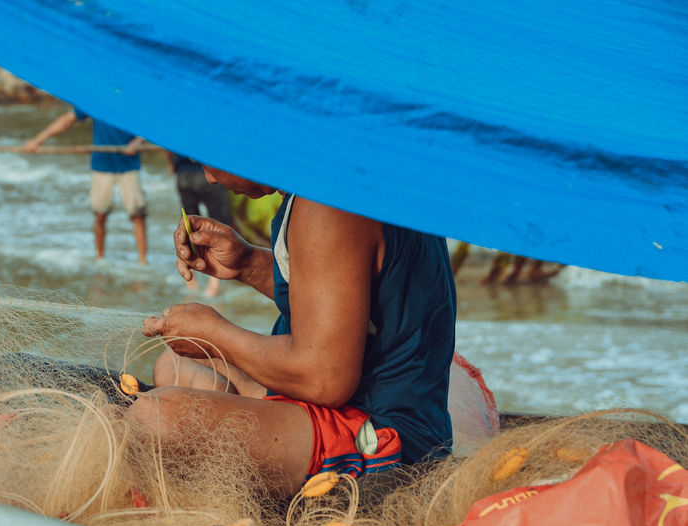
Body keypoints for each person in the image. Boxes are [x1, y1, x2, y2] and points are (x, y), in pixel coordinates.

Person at [128, 166, 457, 498]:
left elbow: (324, 378)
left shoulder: (327, 206)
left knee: (154, 419)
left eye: (210, 156)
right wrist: (247, 264)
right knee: (171, 366)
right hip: (339, 407)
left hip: (379, 434)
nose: (210, 178)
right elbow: (335, 303)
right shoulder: (349, 176)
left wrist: (215, 335)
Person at [24, 109, 148, 265]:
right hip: (102, 164)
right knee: (100, 214)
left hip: (129, 165)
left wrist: (138, 141)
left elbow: (149, 123)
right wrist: (39, 140)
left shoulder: (131, 98)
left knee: (137, 214)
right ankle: (100, 259)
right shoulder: (94, 97)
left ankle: (143, 262)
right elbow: (68, 119)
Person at [165, 153, 232, 296]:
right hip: (209, 174)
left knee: (188, 226)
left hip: (183, 174)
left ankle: (190, 283)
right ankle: (213, 285)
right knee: (220, 226)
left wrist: (171, 164)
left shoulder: (181, 130)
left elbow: (168, 148)